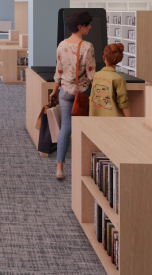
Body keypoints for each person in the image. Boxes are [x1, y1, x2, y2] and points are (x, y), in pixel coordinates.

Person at [48, 10, 95, 180]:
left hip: (65, 93)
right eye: (87, 24)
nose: (90, 27)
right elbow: (91, 75)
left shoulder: (61, 45)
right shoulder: (88, 47)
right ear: (80, 26)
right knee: (84, 128)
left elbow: (58, 71)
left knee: (66, 127)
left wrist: (54, 90)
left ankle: (60, 167)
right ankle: (86, 167)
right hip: (82, 94)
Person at [89, 43, 131, 118]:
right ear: (120, 60)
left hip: (95, 121)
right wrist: (131, 121)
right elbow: (123, 104)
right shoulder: (119, 79)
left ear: (104, 57)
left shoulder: (95, 76)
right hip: (114, 123)